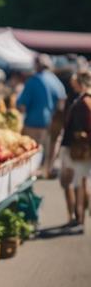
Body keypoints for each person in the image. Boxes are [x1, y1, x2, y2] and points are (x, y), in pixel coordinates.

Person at [17, 54, 67, 177]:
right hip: (50, 121)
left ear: (36, 65)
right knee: (45, 149)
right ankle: (46, 170)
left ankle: (30, 174)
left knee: (31, 151)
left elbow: (22, 105)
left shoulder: (33, 81)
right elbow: (62, 102)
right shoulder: (55, 80)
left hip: (33, 122)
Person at [59, 71, 91, 232]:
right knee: (80, 183)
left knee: (79, 183)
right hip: (80, 148)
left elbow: (80, 128)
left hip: (78, 148)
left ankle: (79, 218)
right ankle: (78, 218)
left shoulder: (84, 101)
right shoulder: (82, 99)